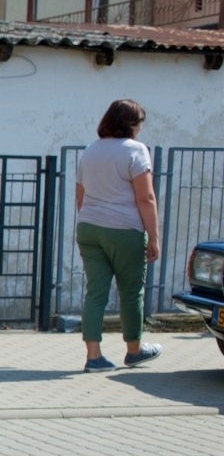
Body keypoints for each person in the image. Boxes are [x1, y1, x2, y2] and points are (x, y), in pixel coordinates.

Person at [76, 99, 161, 371]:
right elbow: (146, 198)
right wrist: (154, 237)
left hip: (89, 227)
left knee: (96, 292)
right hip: (124, 229)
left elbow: (81, 196)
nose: (140, 130)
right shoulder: (136, 151)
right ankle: (134, 350)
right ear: (131, 124)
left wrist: (94, 218)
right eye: (139, 124)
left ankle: (93, 356)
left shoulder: (90, 151)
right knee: (131, 291)